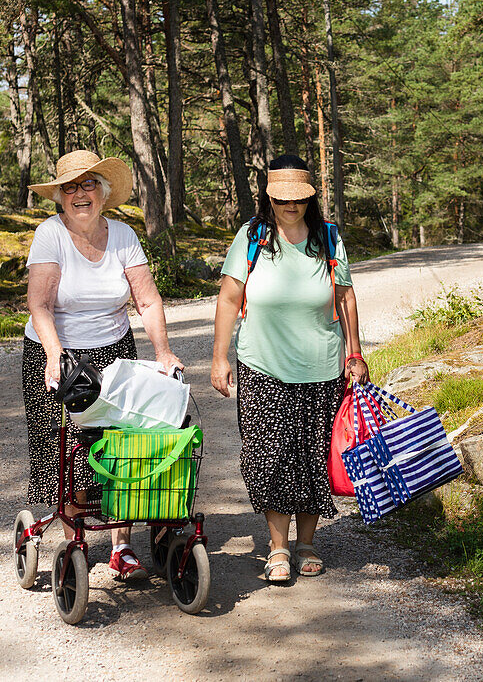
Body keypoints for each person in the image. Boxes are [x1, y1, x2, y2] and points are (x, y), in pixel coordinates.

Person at [23, 149, 183, 582]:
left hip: (113, 348)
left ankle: (121, 545)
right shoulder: (49, 234)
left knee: (123, 444)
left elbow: (147, 300)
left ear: (103, 192)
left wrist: (163, 352)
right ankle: (76, 538)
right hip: (58, 351)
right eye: (71, 187)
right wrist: (54, 353)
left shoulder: (124, 236)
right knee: (68, 448)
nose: (80, 194)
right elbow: (39, 304)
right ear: (59, 196)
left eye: (88, 184)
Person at [211, 154, 369, 582]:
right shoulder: (252, 237)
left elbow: (346, 298)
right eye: (281, 198)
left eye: (297, 198)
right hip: (263, 366)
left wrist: (355, 353)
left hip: (321, 368)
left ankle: (306, 542)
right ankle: (277, 548)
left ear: (310, 198)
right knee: (271, 457)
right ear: (269, 196)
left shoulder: (328, 239)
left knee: (314, 458)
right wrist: (220, 356)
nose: (290, 205)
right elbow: (228, 299)